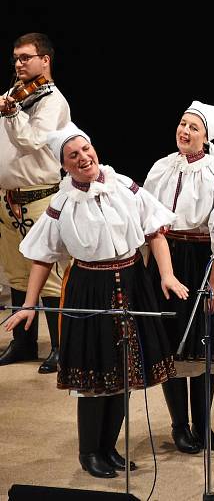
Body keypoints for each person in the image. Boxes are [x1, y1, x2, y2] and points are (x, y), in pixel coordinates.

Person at [3, 122, 188, 478]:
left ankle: (109, 447)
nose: (83, 157)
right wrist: (29, 303)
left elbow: (156, 232)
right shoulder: (62, 203)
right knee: (94, 374)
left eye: (85, 149)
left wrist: (166, 274)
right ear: (64, 165)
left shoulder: (124, 187)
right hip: (90, 287)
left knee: (124, 371)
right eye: (73, 155)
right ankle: (89, 452)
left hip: (132, 283)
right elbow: (42, 256)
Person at [144, 101, 214, 453]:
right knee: (172, 344)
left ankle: (203, 425)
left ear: (206, 136)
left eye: (193, 128)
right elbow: (147, 215)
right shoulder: (161, 167)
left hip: (201, 259)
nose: (185, 132)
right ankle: (179, 426)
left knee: (203, 347)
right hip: (166, 258)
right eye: (182, 124)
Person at [0, 32, 70, 373]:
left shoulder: (52, 101)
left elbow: (30, 141)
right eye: (15, 58)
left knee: (51, 274)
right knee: (16, 273)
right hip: (9, 199)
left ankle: (60, 345)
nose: (18, 63)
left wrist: (12, 114)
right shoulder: (14, 95)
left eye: (25, 57)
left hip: (41, 198)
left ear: (45, 60)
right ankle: (23, 342)